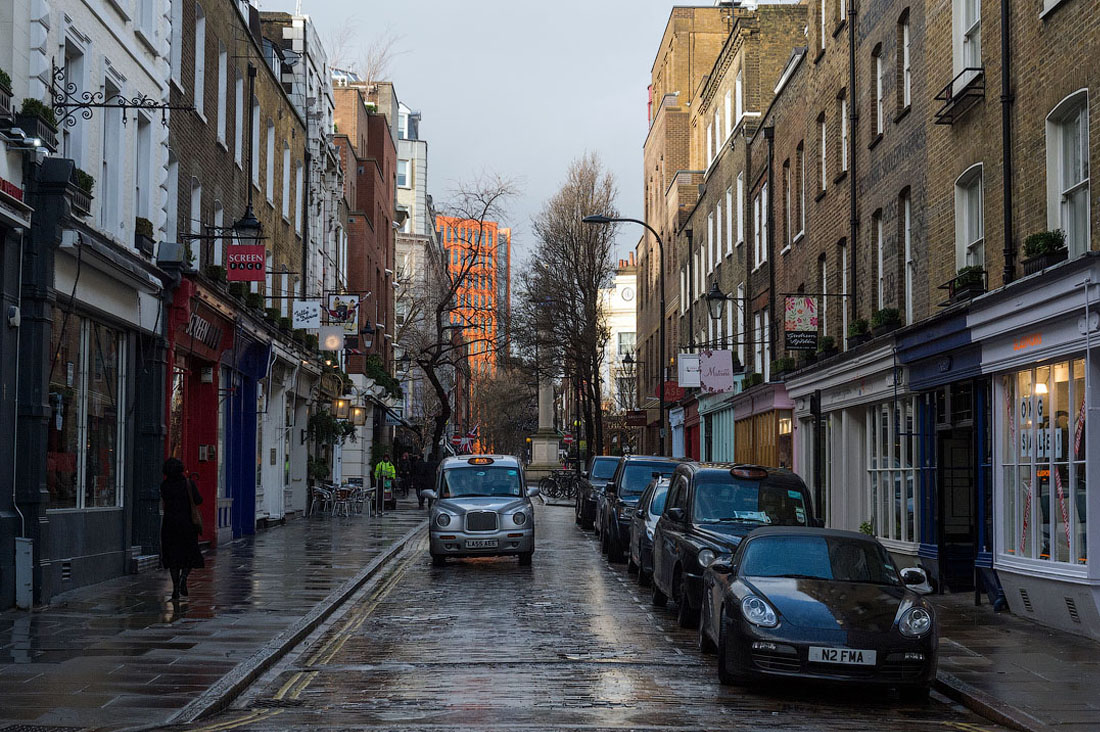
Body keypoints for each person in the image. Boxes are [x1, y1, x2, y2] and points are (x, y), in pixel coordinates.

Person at [160, 458, 205, 601]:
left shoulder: (164, 486)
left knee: (173, 558)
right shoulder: (188, 483)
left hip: (170, 525)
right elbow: (198, 500)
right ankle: (183, 578)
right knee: (189, 555)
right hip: (187, 525)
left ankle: (174, 589)